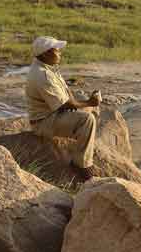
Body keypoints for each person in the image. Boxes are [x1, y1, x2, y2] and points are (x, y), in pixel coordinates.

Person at [25, 35, 100, 180]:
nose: (60, 52)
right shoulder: (43, 75)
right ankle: (81, 164)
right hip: (43, 122)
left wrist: (85, 104)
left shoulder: (47, 67)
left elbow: (67, 95)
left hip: (53, 113)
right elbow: (65, 104)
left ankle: (83, 149)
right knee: (87, 119)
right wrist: (89, 102)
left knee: (88, 111)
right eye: (56, 50)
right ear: (46, 53)